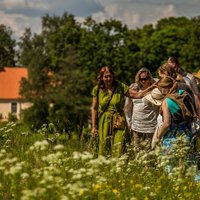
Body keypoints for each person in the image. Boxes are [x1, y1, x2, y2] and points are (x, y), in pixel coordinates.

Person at [91, 66, 155, 157]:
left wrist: (154, 86)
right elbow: (94, 108)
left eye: (110, 76)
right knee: (104, 147)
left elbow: (137, 95)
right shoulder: (97, 90)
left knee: (119, 147)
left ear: (113, 76)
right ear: (101, 77)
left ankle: (119, 168)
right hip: (104, 121)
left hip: (119, 121)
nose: (108, 79)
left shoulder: (120, 86)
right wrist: (93, 126)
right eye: (106, 76)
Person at [154, 76, 196, 172]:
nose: (160, 91)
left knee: (170, 166)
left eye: (160, 88)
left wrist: (159, 136)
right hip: (186, 133)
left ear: (165, 87)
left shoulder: (167, 101)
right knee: (190, 165)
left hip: (172, 136)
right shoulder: (183, 95)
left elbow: (167, 123)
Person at [125, 68, 160, 151]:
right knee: (137, 151)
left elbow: (159, 80)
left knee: (149, 152)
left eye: (146, 79)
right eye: (141, 79)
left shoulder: (155, 91)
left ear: (150, 78)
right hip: (136, 126)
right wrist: (128, 121)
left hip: (150, 127)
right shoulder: (135, 90)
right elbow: (127, 107)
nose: (143, 81)